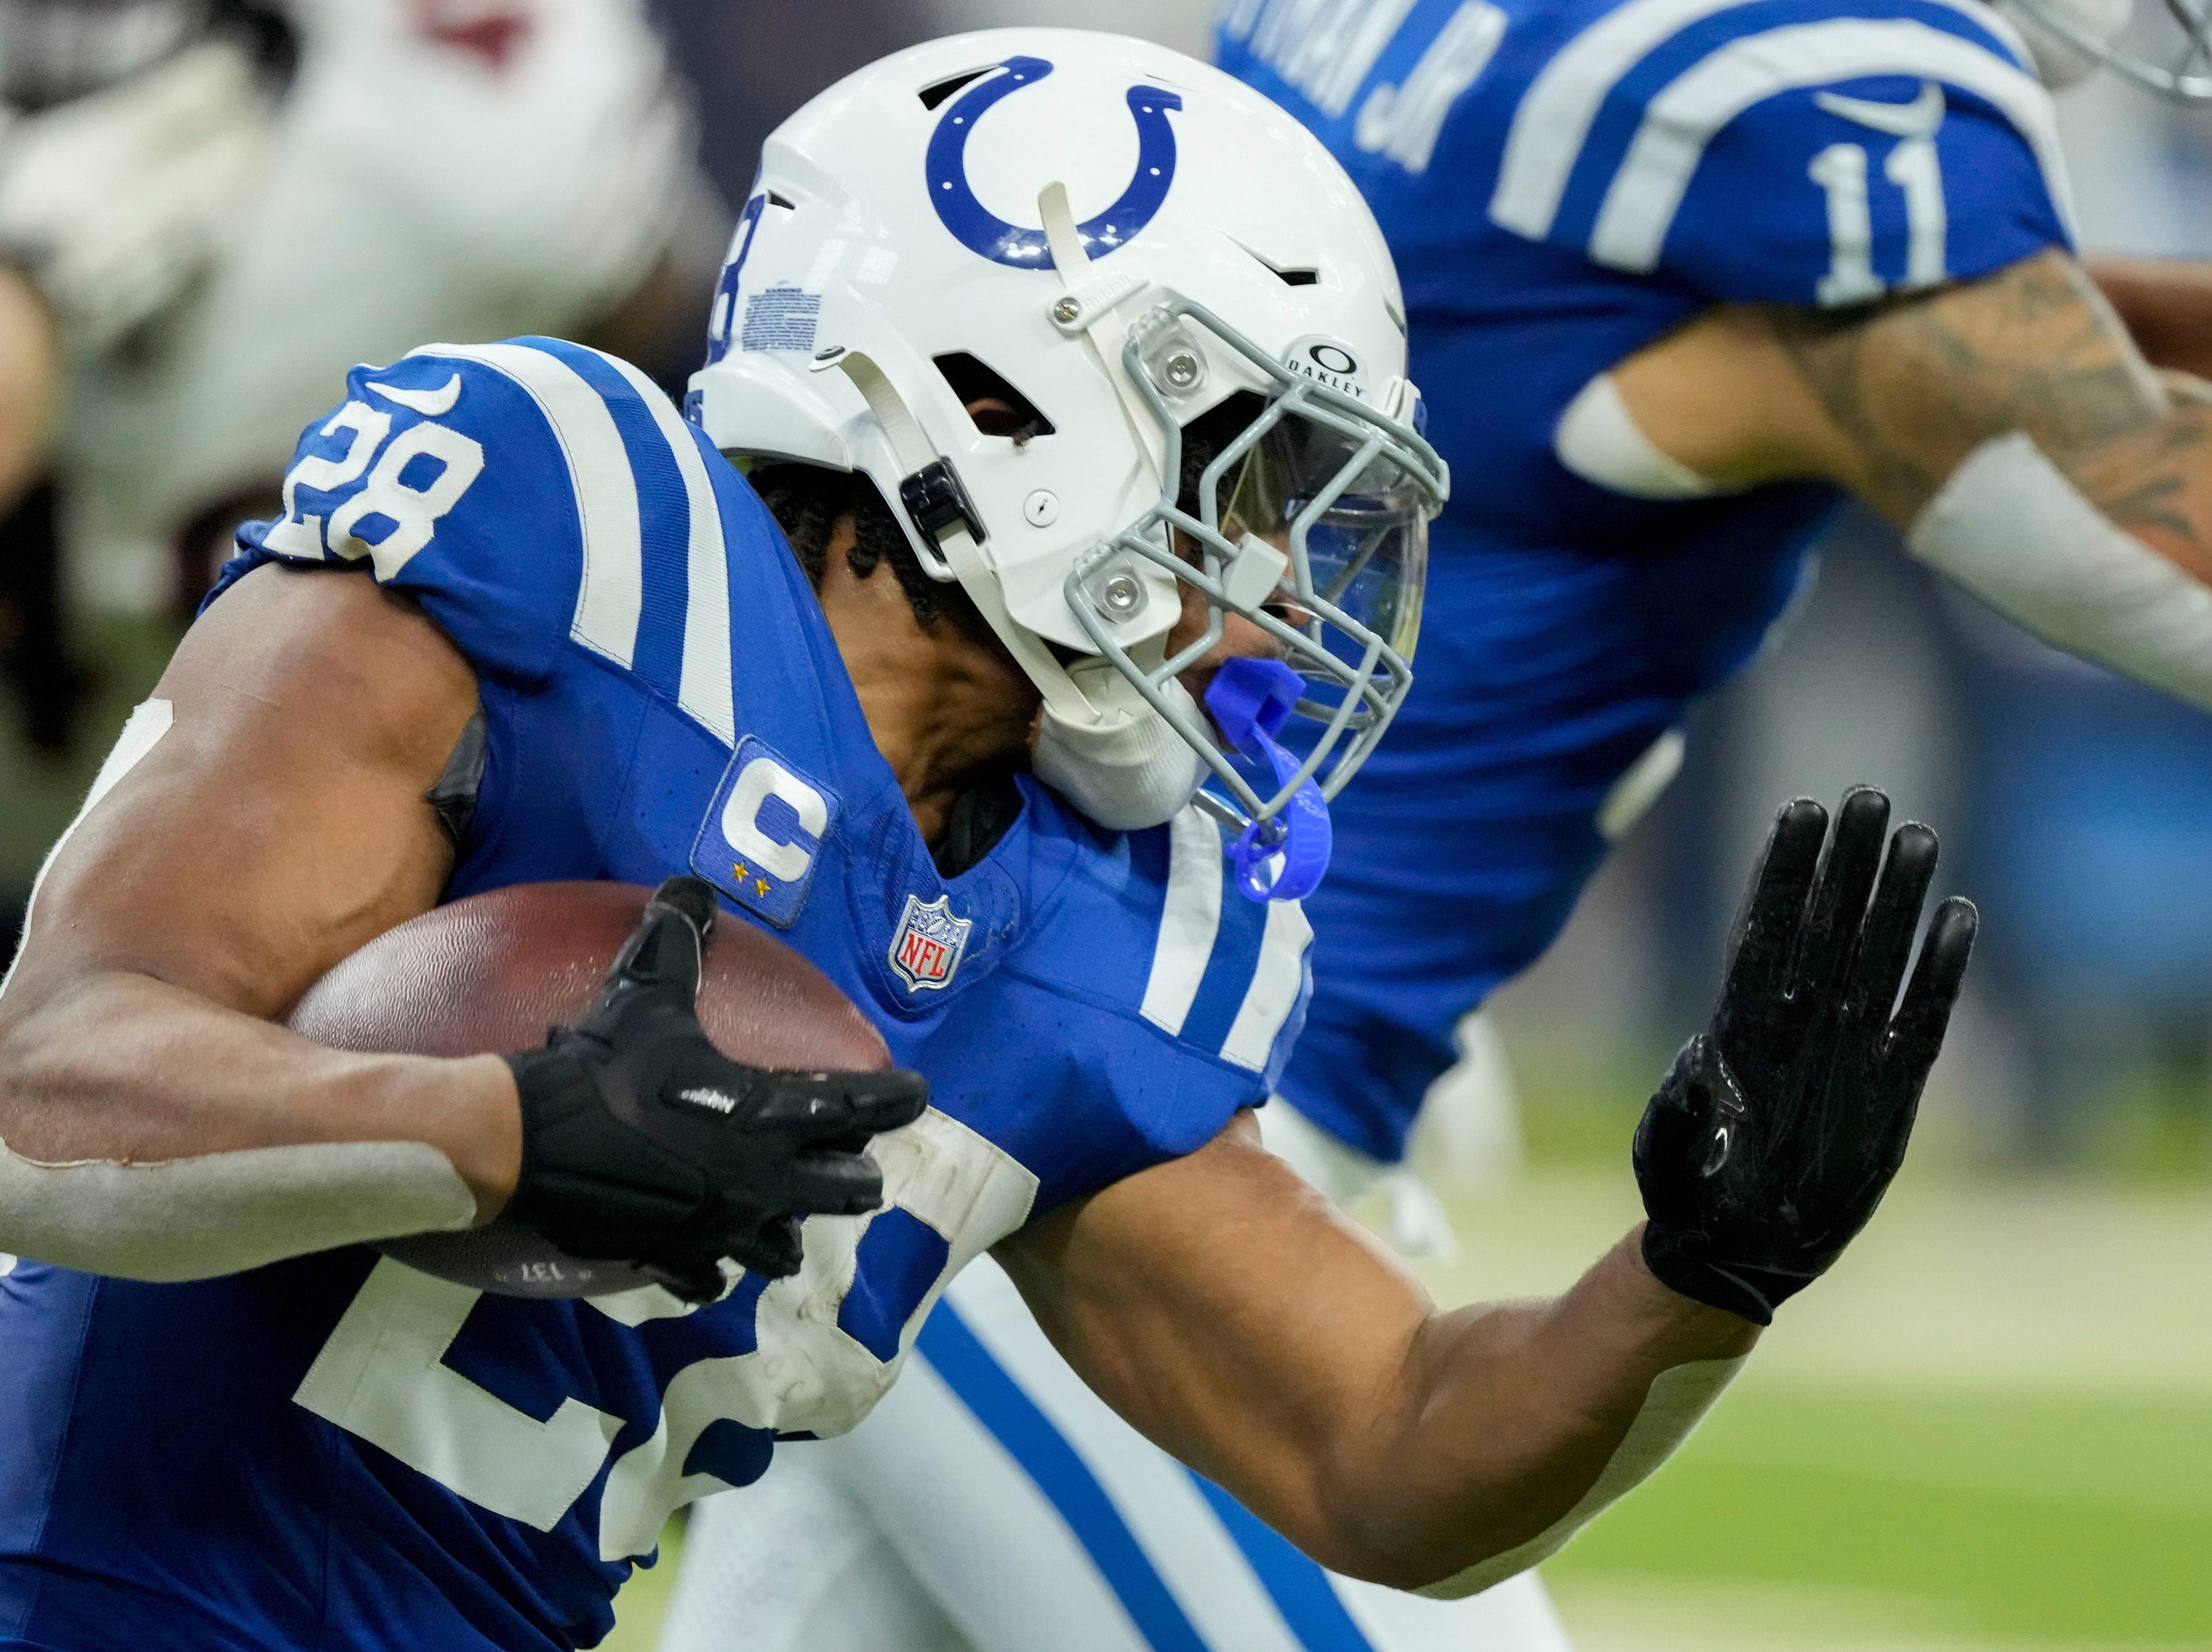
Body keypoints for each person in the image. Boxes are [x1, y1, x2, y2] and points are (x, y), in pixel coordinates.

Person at [0, 31, 1970, 1652]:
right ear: (1018, 393)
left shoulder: (1081, 910)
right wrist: (497, 1122)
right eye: (1242, 482)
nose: (1267, 588)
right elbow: (35, 1101)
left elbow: (1391, 1439)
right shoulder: (568, 533)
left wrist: (1691, 1279)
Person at [661, 1, 2212, 1650]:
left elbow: (1939, 333)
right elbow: (2096, 480)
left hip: (1020, 1086)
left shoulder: (1468, 59)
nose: (1265, 602)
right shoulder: (1815, 93)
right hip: (1091, 1129)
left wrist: (1700, 1267)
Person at [0, 0, 719, 1640]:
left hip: (317, 956)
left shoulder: (478, 112)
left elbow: (662, 425)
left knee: (266, 1568)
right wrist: (21, 284)